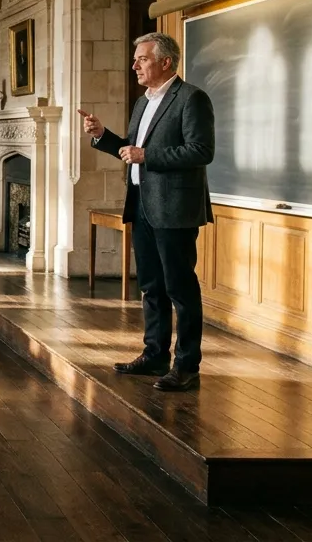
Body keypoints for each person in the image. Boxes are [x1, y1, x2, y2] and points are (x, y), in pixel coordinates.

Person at [81, 31, 215, 393]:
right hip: (141, 203)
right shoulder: (143, 102)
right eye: (136, 59)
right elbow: (131, 149)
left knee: (180, 289)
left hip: (175, 208)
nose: (135, 65)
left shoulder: (191, 99)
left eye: (142, 58)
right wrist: (103, 135)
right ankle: (155, 354)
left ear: (165, 62)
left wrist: (147, 156)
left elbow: (201, 151)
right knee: (151, 286)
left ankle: (187, 366)